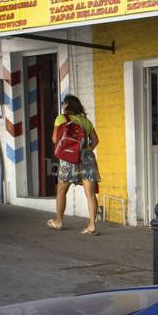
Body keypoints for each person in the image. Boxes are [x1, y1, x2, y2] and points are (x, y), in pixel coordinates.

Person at [47, 94, 100, 235]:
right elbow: (95, 141)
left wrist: (73, 151)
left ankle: (58, 221)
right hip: (87, 158)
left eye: (63, 103)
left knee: (61, 190)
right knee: (90, 193)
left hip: (69, 159)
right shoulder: (86, 121)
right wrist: (85, 151)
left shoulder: (61, 118)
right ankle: (92, 225)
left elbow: (54, 139)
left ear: (67, 105)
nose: (62, 106)